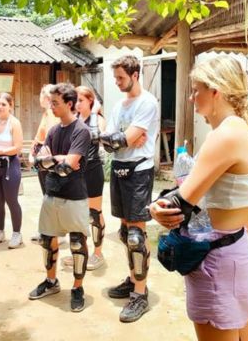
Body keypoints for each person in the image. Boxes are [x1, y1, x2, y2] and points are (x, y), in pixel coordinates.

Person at [150, 56, 248, 341]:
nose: (192, 98)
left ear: (215, 91)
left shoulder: (225, 135)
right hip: (234, 249)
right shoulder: (239, 128)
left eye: (196, 90)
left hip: (216, 259)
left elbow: (182, 201)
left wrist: (156, 208)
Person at [101, 55, 157, 323]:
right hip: (119, 169)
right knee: (125, 233)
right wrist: (119, 140)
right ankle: (134, 278)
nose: (117, 82)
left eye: (121, 77)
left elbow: (123, 138)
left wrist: (120, 140)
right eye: (116, 77)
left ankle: (139, 295)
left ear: (135, 75)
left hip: (139, 170)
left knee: (136, 234)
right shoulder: (119, 105)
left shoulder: (147, 102)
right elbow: (109, 139)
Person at [29, 83, 91, 312]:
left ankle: (77, 288)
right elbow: (40, 160)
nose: (51, 106)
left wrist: (53, 161)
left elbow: (70, 164)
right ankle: (51, 281)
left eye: (56, 103)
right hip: (51, 193)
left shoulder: (81, 131)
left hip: (74, 196)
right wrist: (58, 160)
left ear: (69, 104)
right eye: (51, 102)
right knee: (47, 240)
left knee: (76, 242)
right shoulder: (54, 130)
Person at [62, 85, 106, 270]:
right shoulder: (74, 120)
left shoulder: (98, 119)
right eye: (76, 100)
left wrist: (95, 113)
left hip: (93, 170)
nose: (78, 104)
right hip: (77, 173)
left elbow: (96, 137)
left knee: (94, 214)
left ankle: (98, 253)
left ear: (90, 100)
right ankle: (82, 250)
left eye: (81, 100)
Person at [0, 93, 24, 249]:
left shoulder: (14, 123)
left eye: (3, 104)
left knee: (11, 200)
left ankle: (17, 233)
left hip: (10, 165)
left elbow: (18, 147)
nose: (0, 107)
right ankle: (0, 232)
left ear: (10, 106)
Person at [30, 84, 60, 244]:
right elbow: (39, 136)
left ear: (45, 96)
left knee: (51, 196)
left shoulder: (52, 113)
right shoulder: (47, 113)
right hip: (43, 157)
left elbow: (50, 137)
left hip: (49, 158)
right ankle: (48, 230)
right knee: (47, 196)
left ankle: (55, 232)